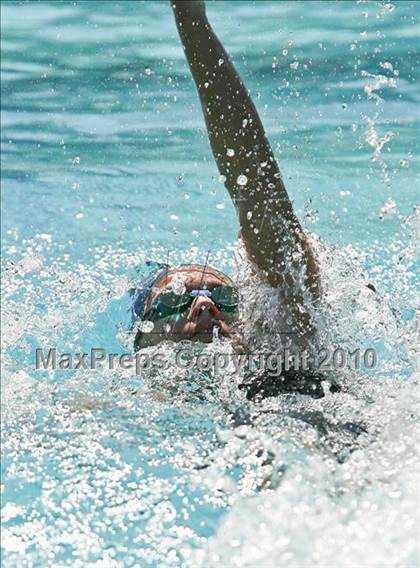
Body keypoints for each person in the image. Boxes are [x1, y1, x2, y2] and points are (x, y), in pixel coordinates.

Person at [132, 0, 321, 359]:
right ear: (143, 340)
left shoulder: (285, 353)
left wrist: (191, 18)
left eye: (222, 297)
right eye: (174, 302)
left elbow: (259, 197)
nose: (204, 307)